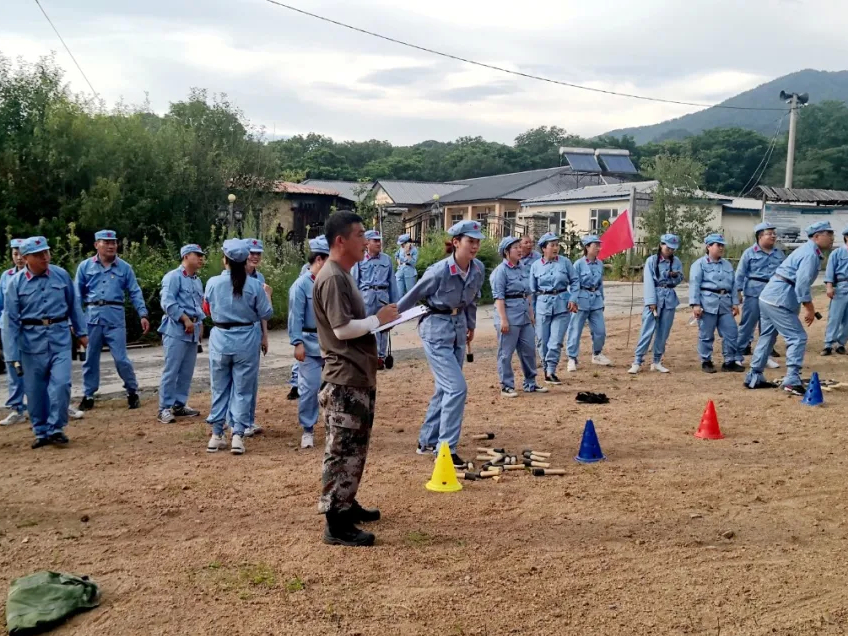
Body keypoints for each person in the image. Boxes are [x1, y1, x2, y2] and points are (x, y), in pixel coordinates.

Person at [313, 211, 398, 547]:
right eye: (361, 235)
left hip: (356, 374)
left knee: (355, 447)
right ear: (341, 241)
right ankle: (336, 522)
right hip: (343, 378)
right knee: (342, 448)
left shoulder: (343, 274)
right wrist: (377, 321)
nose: (366, 241)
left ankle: (347, 502)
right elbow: (342, 328)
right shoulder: (333, 277)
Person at [396, 220, 486, 466]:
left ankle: (427, 441)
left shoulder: (477, 269)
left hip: (457, 330)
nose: (475, 246)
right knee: (457, 388)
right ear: (456, 242)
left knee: (445, 388)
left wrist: (471, 325)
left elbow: (472, 300)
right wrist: (382, 323)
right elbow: (410, 297)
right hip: (435, 330)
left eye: (477, 242)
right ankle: (445, 450)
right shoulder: (439, 271)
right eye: (470, 241)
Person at [2, 237, 88, 448]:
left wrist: (82, 332)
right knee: (35, 391)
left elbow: (73, 305)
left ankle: (56, 428)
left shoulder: (60, 275)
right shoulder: (15, 283)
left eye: (46, 253)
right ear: (26, 258)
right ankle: (41, 432)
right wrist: (11, 355)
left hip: (59, 338)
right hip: (31, 343)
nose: (45, 257)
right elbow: (10, 321)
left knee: (61, 385)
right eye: (39, 255)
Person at [745, 221, 834, 394]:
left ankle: (754, 377)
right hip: (779, 299)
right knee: (797, 337)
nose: (832, 238)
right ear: (816, 237)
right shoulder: (810, 254)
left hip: (770, 296)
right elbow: (801, 285)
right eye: (828, 235)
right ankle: (792, 380)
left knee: (767, 337)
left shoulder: (808, 251)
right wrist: (809, 307)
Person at [204, 239, 273, 455]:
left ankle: (216, 434)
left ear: (225, 260)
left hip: (220, 338)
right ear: (245, 261)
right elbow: (266, 313)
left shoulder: (212, 283)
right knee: (243, 390)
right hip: (246, 339)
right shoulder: (254, 285)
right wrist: (268, 296)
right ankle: (238, 435)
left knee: (219, 387)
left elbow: (206, 309)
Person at [75, 230, 149, 411]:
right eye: (106, 242)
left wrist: (143, 314)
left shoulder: (124, 268)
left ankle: (132, 391)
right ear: (96, 245)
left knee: (121, 359)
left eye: (114, 242)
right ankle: (89, 394)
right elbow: (76, 295)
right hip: (92, 318)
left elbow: (134, 291)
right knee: (90, 359)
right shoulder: (85, 267)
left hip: (115, 318)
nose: (111, 246)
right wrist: (76, 322)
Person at [491, 236, 547, 397]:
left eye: (519, 247)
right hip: (509, 316)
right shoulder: (500, 272)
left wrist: (531, 314)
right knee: (505, 353)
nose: (519, 250)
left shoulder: (522, 267)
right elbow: (499, 298)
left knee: (529, 350)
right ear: (506, 252)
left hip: (523, 315)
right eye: (515, 247)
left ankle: (531, 382)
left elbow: (527, 293)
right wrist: (503, 319)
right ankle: (506, 385)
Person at [288, 235, 330, 449]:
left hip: (332, 343)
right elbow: (295, 316)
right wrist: (297, 343)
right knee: (309, 388)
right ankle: (308, 429)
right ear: (320, 260)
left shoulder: (332, 282)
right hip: (310, 342)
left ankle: (334, 425)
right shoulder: (301, 285)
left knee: (337, 386)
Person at [157, 244, 206, 424]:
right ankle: (164, 408)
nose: (201, 258)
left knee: (186, 370)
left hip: (192, 329)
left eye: (202, 256)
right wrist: (185, 319)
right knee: (172, 369)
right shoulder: (173, 277)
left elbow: (198, 305)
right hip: (176, 329)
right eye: (197, 255)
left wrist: (199, 324)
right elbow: (167, 303)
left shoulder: (196, 280)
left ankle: (179, 404)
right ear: (185, 256)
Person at [688, 233, 745, 374]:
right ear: (708, 246)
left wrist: (735, 303)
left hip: (725, 303)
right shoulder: (699, 264)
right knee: (706, 335)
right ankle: (706, 361)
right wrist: (695, 304)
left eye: (722, 245)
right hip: (707, 303)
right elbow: (695, 285)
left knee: (731, 333)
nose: (721, 248)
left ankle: (729, 361)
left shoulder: (727, 264)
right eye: (718, 245)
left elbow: (733, 285)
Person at [628, 234, 684, 374]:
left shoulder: (676, 261)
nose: (669, 250)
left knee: (663, 331)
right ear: (661, 244)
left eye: (672, 248)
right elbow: (648, 282)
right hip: (655, 297)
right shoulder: (652, 261)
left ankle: (657, 360)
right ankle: (637, 360)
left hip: (669, 298)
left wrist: (674, 276)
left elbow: (679, 279)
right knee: (647, 330)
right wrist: (651, 301)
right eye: (667, 246)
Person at [529, 232, 578, 384]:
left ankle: (551, 369)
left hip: (562, 305)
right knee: (542, 341)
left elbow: (575, 282)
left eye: (557, 245)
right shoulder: (535, 266)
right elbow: (532, 291)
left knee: (555, 341)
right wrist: (532, 311)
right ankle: (545, 366)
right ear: (544, 248)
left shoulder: (565, 263)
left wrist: (573, 298)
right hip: (543, 306)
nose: (556, 248)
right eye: (552, 245)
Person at [735, 222, 785, 368]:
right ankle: (738, 355)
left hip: (773, 294)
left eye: (774, 233)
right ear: (760, 236)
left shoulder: (779, 253)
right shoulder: (749, 253)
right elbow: (740, 273)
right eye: (770, 233)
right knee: (747, 324)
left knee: (769, 326)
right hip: (753, 293)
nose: (773, 236)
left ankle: (766, 356)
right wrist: (737, 292)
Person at [351, 230, 399, 369]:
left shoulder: (386, 259)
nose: (379, 243)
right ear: (367, 243)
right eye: (375, 240)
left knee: (383, 327)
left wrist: (395, 304)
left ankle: (380, 357)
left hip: (382, 296)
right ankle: (366, 355)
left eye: (379, 240)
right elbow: (355, 281)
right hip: (366, 296)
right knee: (366, 326)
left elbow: (392, 282)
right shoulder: (359, 260)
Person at [566, 235, 612, 371]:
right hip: (581, 299)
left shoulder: (599, 263)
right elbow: (573, 284)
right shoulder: (578, 264)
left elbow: (600, 283)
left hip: (596, 299)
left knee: (600, 331)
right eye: (595, 245)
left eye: (599, 245)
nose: (598, 248)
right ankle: (572, 358)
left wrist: (602, 299)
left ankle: (597, 354)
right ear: (587, 247)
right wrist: (573, 300)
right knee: (575, 330)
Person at [242, 238, 271, 437]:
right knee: (237, 381)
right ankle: (235, 420)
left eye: (258, 253)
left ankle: (248, 420)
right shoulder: (234, 276)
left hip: (253, 331)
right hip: (236, 332)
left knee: (251, 381)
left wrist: (265, 336)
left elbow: (264, 312)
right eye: (251, 253)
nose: (255, 257)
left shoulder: (259, 278)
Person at [0, 239, 28, 426]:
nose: (18, 258)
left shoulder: (39, 275)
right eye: (14, 254)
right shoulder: (6, 276)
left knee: (42, 366)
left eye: (21, 254)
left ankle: (56, 404)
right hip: (10, 328)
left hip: (31, 326)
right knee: (13, 366)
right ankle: (17, 408)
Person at [286, 262, 312, 401]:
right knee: (301, 360)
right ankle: (295, 384)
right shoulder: (305, 271)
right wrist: (297, 339)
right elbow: (295, 313)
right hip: (305, 331)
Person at [822, 226, 848, 356]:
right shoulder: (837, 253)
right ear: (846, 237)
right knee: (835, 317)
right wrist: (829, 286)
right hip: (841, 287)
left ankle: (840, 343)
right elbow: (830, 271)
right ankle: (828, 344)